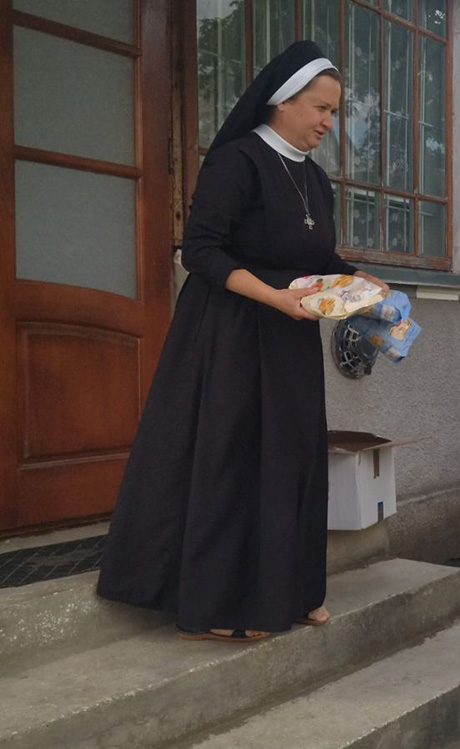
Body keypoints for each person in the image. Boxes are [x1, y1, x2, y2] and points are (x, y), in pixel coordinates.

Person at [97, 41, 387, 642]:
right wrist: (275, 297)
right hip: (229, 336)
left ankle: (291, 592)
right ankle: (220, 605)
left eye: (334, 112)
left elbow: (316, 256)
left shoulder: (315, 180)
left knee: (292, 463)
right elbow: (200, 251)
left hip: (289, 344)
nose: (329, 124)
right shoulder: (237, 161)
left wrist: (356, 278)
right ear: (282, 101)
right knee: (234, 464)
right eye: (320, 109)